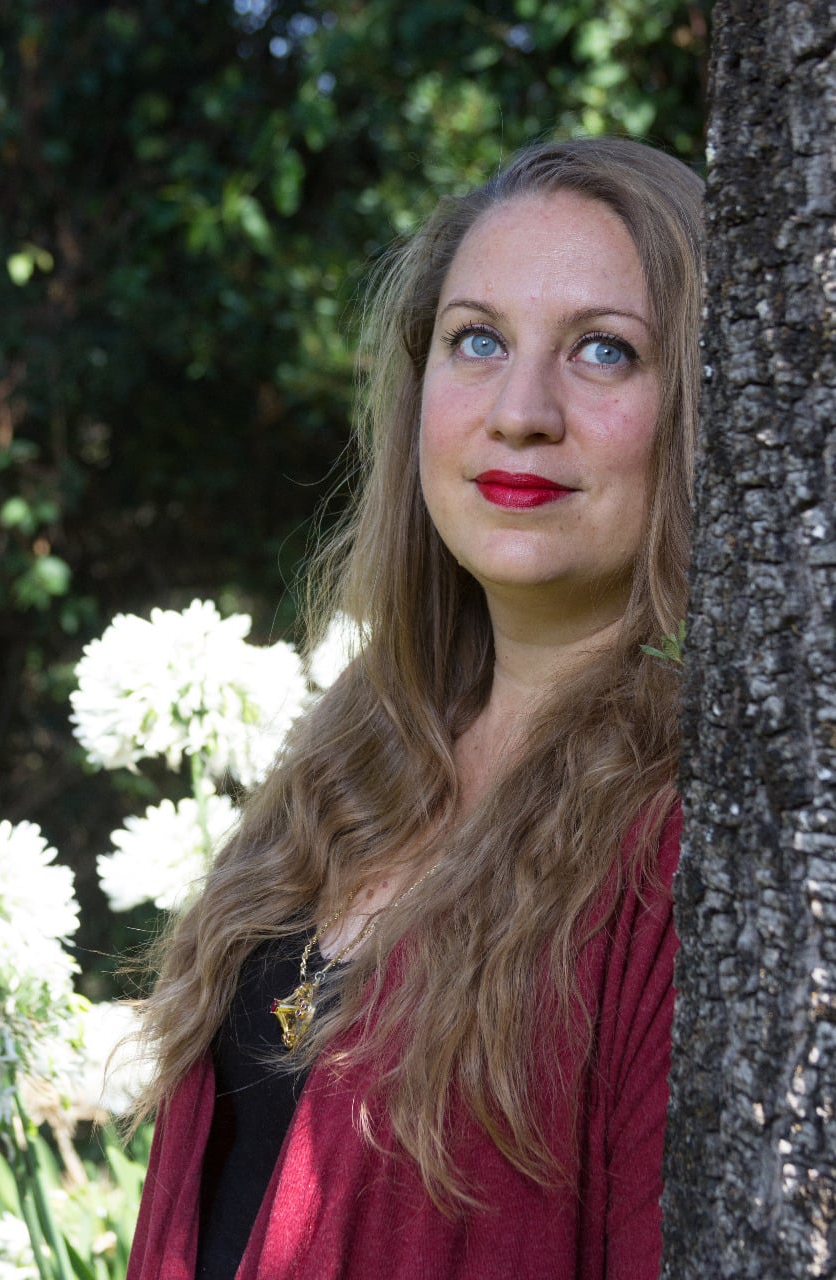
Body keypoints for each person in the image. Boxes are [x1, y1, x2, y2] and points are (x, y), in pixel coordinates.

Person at [126, 135, 704, 1280]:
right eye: (476, 338)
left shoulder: (686, 842)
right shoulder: (350, 763)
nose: (520, 411)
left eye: (604, 350)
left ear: (703, 405)